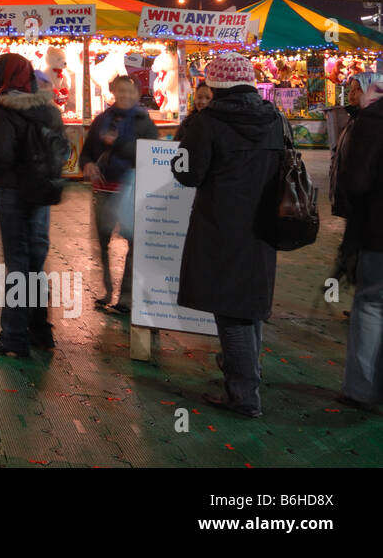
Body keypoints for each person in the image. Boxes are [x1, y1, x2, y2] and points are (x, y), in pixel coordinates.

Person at [172, 52, 284, 418]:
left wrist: (181, 151)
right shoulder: (273, 118)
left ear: (216, 84)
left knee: (230, 312)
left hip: (222, 225)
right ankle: (248, 377)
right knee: (249, 306)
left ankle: (243, 396)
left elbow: (188, 173)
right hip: (264, 225)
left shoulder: (208, 122)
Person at [0, 53, 65, 356]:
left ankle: (14, 336)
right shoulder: (48, 109)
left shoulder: (6, 109)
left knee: (18, 261)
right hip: (41, 191)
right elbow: (61, 149)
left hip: (14, 191)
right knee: (35, 261)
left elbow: (2, 155)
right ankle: (40, 329)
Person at [78, 74, 160, 314]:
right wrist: (87, 165)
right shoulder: (101, 119)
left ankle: (125, 297)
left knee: (132, 243)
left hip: (132, 190)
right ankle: (106, 290)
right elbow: (86, 153)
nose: (125, 95)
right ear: (113, 92)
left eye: (130, 91)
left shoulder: (144, 122)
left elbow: (149, 155)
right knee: (102, 241)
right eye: (121, 91)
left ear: (137, 95)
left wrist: (118, 143)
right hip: (103, 189)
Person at [337, 73, 383, 409]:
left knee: (371, 304)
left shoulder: (372, 120)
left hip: (377, 231)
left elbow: (356, 181)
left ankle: (362, 388)